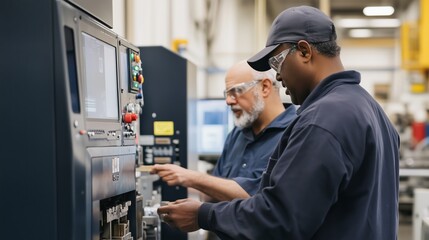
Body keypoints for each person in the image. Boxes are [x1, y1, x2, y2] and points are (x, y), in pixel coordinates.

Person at [157, 5, 400, 239]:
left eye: (276, 62)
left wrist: (203, 215)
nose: (278, 76)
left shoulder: (324, 119)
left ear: (304, 52)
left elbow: (280, 220)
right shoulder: (372, 111)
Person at [151, 60, 296, 202]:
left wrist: (193, 178)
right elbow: (213, 194)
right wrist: (178, 178)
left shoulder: (294, 134)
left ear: (265, 87)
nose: (228, 101)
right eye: (226, 94)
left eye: (237, 91)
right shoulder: (237, 134)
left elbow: (262, 200)